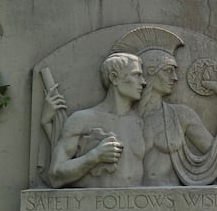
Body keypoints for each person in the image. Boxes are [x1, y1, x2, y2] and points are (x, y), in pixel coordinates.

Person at [111, 26, 217, 186]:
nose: (175, 78)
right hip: (131, 202)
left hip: (174, 201)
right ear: (150, 72)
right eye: (168, 71)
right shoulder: (123, 117)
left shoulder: (181, 115)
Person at [48, 52, 146, 188]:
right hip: (91, 207)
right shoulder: (82, 120)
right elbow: (55, 175)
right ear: (114, 78)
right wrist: (95, 156)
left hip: (138, 207)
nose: (143, 82)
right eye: (137, 75)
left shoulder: (138, 122)